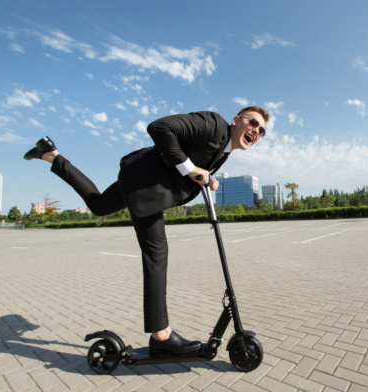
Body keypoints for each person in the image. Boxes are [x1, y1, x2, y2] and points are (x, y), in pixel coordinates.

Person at [24, 106, 269, 355]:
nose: (256, 131)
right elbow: (160, 127)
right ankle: (161, 336)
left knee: (98, 206)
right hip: (145, 185)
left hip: (140, 179)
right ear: (236, 120)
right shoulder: (214, 124)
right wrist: (191, 169)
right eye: (253, 123)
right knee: (157, 253)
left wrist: (208, 178)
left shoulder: (224, 150)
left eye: (262, 130)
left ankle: (51, 155)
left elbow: (193, 166)